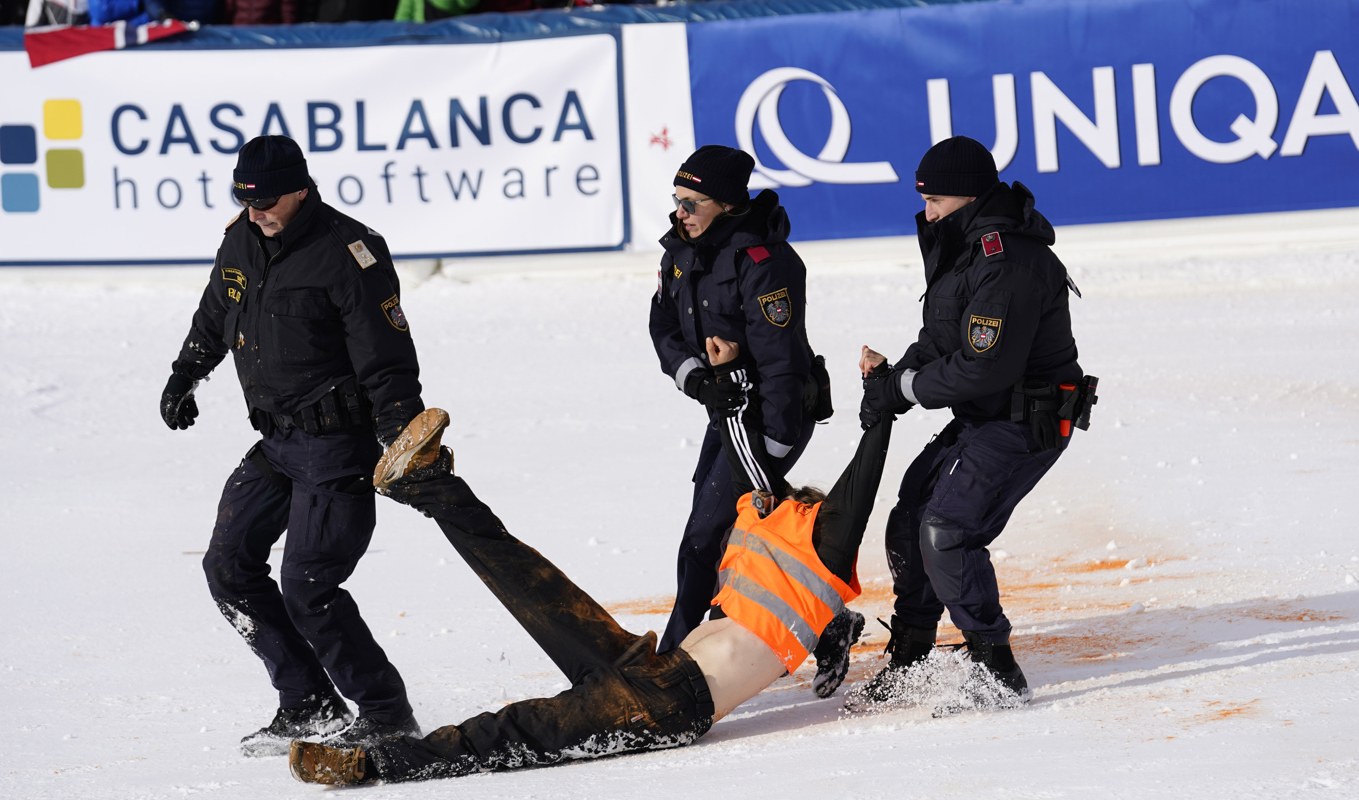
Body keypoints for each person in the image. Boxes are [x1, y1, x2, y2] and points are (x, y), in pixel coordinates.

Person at [287, 337, 894, 785]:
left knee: (518, 730)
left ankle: (370, 764)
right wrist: (733, 377)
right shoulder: (772, 522)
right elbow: (749, 449)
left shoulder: (820, 546)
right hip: (650, 663)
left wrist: (878, 407)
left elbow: (860, 485)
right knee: (527, 577)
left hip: (669, 706)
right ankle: (428, 483)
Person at [160, 135, 425, 756]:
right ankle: (306, 702)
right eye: (244, 199)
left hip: (337, 447)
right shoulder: (242, 238)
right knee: (227, 567)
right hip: (277, 442)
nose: (257, 210)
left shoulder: (348, 253)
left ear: (301, 187)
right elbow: (216, 311)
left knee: (311, 587)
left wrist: (403, 436)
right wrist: (186, 372)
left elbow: (387, 359)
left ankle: (386, 711)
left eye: (268, 200)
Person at [844, 136, 1096, 711]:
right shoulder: (967, 249)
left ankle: (995, 670)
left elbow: (985, 364)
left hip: (1024, 421)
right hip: (985, 415)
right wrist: (894, 379)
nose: (927, 213)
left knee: (947, 530)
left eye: (936, 201)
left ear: (970, 196)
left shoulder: (1008, 260)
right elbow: (943, 337)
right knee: (909, 519)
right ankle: (909, 656)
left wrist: (907, 389)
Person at [648, 145, 854, 689]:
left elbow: (782, 365)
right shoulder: (679, 251)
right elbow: (663, 326)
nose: (680, 212)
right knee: (744, 527)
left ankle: (668, 670)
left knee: (705, 539)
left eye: (693, 202)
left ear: (729, 204)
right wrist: (697, 379)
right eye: (677, 199)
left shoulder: (766, 262)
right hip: (725, 410)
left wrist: (777, 446)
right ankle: (832, 624)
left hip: (768, 415)